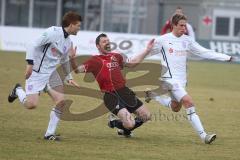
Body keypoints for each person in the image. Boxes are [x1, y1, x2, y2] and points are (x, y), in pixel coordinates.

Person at [145, 14, 233, 144]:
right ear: (173, 25)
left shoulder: (188, 40)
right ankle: (204, 136)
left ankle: (153, 95)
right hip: (169, 79)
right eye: (181, 25)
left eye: (185, 25)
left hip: (181, 81)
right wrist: (128, 61)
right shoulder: (162, 40)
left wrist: (225, 57)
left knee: (176, 107)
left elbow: (204, 52)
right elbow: (145, 52)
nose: (184, 28)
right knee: (189, 102)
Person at [8, 11, 82, 141]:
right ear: (71, 25)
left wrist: (69, 78)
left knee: (61, 102)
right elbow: (31, 44)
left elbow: (64, 60)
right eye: (78, 25)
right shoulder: (53, 32)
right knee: (31, 105)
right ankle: (18, 90)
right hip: (36, 73)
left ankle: (49, 134)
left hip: (51, 76)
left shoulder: (68, 42)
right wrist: (30, 65)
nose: (79, 28)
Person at [69, 33, 154, 137]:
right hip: (111, 96)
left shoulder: (116, 56)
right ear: (98, 46)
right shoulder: (94, 60)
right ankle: (113, 122)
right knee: (130, 123)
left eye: (108, 41)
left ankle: (125, 131)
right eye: (104, 42)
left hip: (125, 92)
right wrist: (72, 59)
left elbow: (132, 63)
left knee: (146, 116)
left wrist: (147, 50)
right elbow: (77, 70)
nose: (107, 43)